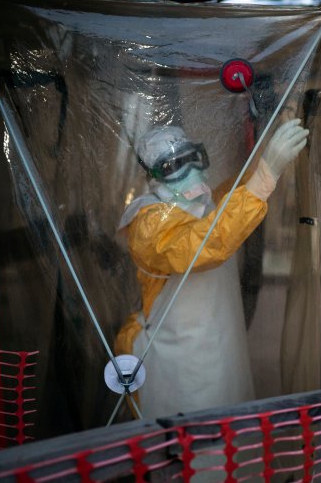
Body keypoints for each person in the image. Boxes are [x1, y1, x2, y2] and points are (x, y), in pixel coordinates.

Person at [114, 119, 308, 420]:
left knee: (229, 422)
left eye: (193, 158)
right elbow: (201, 244)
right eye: (175, 164)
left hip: (220, 344)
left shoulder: (202, 203)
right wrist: (265, 177)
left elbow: (231, 199)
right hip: (182, 356)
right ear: (153, 174)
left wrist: (264, 156)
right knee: (191, 439)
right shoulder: (148, 222)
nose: (191, 171)